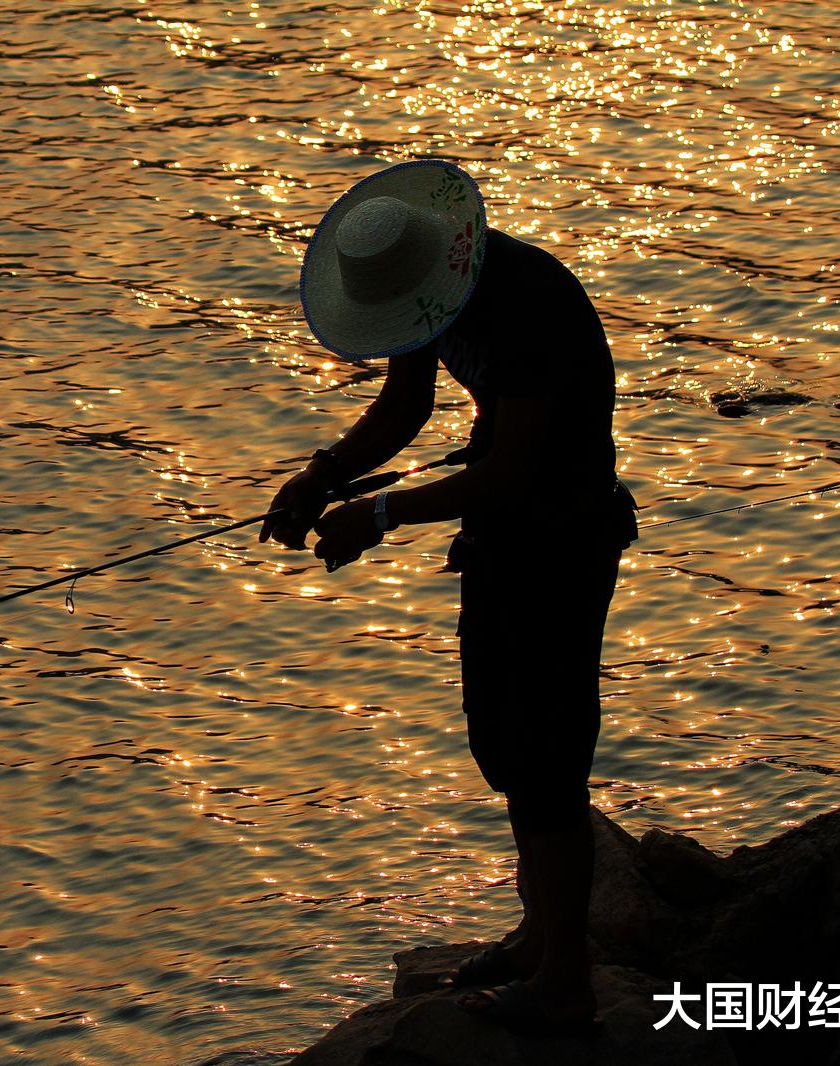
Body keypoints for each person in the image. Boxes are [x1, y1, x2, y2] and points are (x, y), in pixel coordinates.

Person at [260, 158, 638, 1037]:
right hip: (504, 541)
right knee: (502, 741)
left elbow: (512, 471)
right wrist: (323, 476)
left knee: (548, 757)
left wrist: (379, 514)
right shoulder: (431, 299)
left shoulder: (525, 304)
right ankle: (540, 932)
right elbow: (404, 407)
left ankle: (567, 982)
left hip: (565, 539)